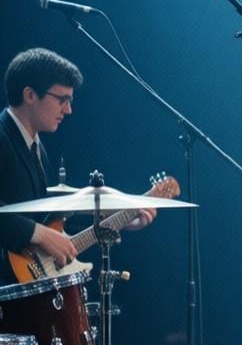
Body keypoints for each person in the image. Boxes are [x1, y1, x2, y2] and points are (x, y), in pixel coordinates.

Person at [0, 49, 153, 281]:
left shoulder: (36, 146)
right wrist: (38, 234)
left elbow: (46, 219)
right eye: (63, 99)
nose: (69, 109)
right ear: (30, 95)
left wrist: (118, 220)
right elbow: (38, 228)